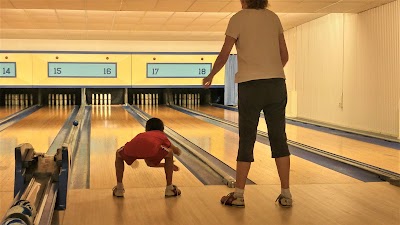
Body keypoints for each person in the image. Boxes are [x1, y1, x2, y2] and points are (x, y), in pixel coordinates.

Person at [202, 0, 292, 208]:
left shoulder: (238, 18)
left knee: (247, 138)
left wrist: (211, 75)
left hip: (250, 87)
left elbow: (225, 54)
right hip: (277, 84)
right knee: (279, 138)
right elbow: (284, 55)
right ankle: (286, 193)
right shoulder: (274, 18)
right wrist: (271, 71)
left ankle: (239, 194)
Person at [113, 117, 182, 198]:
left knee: (118, 154)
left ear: (146, 129)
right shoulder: (161, 135)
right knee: (169, 152)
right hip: (151, 149)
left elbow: (149, 163)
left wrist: (165, 165)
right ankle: (169, 188)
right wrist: (178, 152)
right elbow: (175, 150)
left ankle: (119, 189)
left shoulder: (142, 135)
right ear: (162, 129)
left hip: (132, 148)